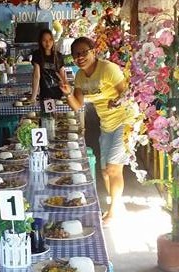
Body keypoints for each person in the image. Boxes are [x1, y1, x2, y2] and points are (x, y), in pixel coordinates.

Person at [60, 36, 134, 223]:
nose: (80, 57)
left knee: (113, 169)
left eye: (84, 52)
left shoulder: (108, 69)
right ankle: (117, 204)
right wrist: (68, 93)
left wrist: (116, 101)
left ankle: (114, 212)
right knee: (105, 172)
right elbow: (77, 106)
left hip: (125, 121)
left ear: (94, 51)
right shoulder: (79, 76)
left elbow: (127, 92)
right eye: (76, 54)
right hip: (106, 124)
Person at [29, 28, 67, 105]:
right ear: (40, 41)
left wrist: (66, 94)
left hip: (58, 93)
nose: (48, 43)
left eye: (50, 40)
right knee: (46, 116)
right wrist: (33, 97)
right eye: (44, 40)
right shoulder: (37, 55)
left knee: (59, 116)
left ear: (53, 40)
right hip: (45, 94)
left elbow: (63, 76)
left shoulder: (58, 56)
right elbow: (36, 76)